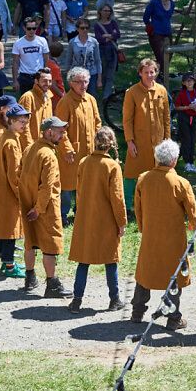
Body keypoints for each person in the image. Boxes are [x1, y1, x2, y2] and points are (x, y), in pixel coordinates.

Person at [131, 139, 196, 330]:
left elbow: (138, 208)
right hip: (174, 239)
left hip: (151, 236)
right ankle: (173, 317)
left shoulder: (143, 178)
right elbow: (193, 214)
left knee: (145, 273)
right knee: (174, 276)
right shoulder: (181, 183)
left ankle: (137, 311)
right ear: (175, 161)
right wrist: (192, 224)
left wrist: (144, 227)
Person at [68, 126, 127, 313]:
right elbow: (117, 198)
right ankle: (114, 299)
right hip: (106, 220)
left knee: (83, 261)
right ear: (111, 145)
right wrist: (121, 222)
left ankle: (76, 300)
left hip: (86, 217)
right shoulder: (112, 166)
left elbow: (79, 191)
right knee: (110, 260)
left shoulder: (84, 162)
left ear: (95, 142)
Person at [19, 116, 73, 298]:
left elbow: (20, 174)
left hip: (28, 204)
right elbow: (47, 186)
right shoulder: (49, 155)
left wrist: (30, 204)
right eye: (60, 132)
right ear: (49, 132)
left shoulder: (29, 148)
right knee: (50, 245)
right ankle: (52, 285)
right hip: (45, 208)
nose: (63, 135)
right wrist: (39, 208)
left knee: (31, 242)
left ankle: (30, 278)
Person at [54, 67, 102, 226]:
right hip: (72, 152)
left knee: (86, 183)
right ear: (71, 83)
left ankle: (81, 210)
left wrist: (99, 142)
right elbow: (60, 129)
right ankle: (62, 214)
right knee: (67, 185)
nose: (83, 85)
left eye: (85, 81)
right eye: (79, 82)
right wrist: (66, 149)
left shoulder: (91, 100)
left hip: (89, 151)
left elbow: (97, 123)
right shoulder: (65, 102)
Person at [123, 59, 172, 212]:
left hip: (158, 143)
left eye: (152, 72)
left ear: (156, 73)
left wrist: (168, 141)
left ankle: (152, 203)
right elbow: (127, 120)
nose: (150, 75)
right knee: (132, 174)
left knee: (157, 174)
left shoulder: (162, 91)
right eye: (146, 72)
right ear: (140, 73)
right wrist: (130, 142)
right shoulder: (131, 93)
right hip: (139, 141)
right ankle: (127, 208)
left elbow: (166, 117)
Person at [0, 104, 28, 278]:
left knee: (6, 229)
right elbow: (14, 174)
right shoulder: (12, 142)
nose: (25, 125)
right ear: (11, 121)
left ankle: (7, 263)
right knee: (11, 230)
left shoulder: (5, 135)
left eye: (26, 121)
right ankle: (10, 266)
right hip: (9, 191)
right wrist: (22, 194)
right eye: (21, 121)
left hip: (1, 188)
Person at [173, 72, 196, 173]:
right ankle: (187, 162)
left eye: (192, 80)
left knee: (193, 139)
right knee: (186, 139)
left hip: (193, 117)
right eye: (187, 81)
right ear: (183, 83)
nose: (190, 82)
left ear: (195, 82)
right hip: (184, 117)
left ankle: (192, 161)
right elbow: (177, 107)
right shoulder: (182, 93)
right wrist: (187, 107)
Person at [11, 18, 50, 95]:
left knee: (41, 102)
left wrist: (48, 76)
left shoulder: (42, 41)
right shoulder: (18, 43)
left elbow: (47, 60)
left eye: (34, 28)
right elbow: (15, 63)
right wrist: (15, 81)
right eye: (29, 29)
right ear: (24, 28)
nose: (32, 31)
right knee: (25, 103)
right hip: (24, 77)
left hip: (39, 76)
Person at [67, 18, 102, 97]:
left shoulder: (93, 42)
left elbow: (98, 60)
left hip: (92, 74)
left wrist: (99, 79)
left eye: (87, 28)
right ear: (77, 29)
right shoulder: (72, 42)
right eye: (82, 28)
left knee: (92, 97)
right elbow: (68, 61)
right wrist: (69, 78)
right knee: (77, 97)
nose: (85, 30)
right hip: (77, 74)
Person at [93, 5, 120, 101]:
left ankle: (107, 96)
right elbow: (99, 39)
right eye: (105, 10)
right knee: (103, 73)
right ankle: (105, 92)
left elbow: (117, 35)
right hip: (102, 51)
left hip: (113, 51)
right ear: (100, 11)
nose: (107, 13)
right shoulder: (97, 25)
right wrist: (111, 35)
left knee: (110, 74)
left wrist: (107, 35)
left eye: (108, 11)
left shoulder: (113, 23)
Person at [143, 0, 175, 72]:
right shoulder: (155, 2)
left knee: (169, 55)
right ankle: (162, 76)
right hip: (156, 33)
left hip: (168, 32)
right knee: (161, 56)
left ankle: (159, 73)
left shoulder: (172, 3)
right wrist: (149, 26)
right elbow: (146, 16)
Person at [20, 69, 54, 142]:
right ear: (36, 81)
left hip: (44, 144)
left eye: (50, 81)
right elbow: (23, 125)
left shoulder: (49, 98)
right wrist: (29, 147)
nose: (48, 84)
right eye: (45, 81)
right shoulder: (28, 97)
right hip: (31, 146)